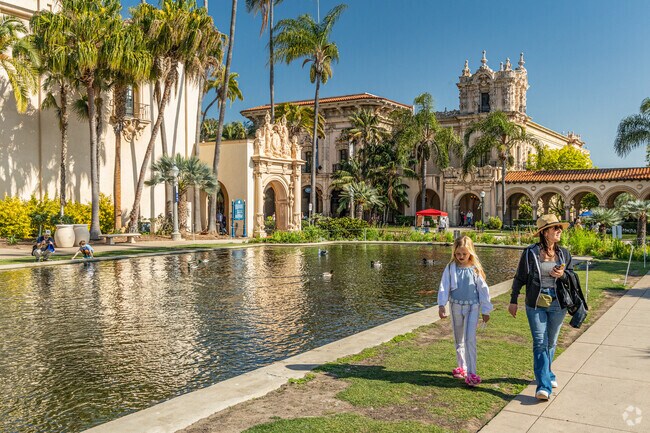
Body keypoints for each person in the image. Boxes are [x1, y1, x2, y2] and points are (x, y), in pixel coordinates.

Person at [508, 214, 571, 401]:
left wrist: (562, 275)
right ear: (544, 232)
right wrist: (513, 300)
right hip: (535, 303)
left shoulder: (564, 253)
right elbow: (520, 277)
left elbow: (571, 276)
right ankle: (543, 386)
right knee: (540, 342)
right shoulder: (530, 253)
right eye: (555, 228)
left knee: (551, 343)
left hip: (558, 303)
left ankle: (548, 374)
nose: (559, 230)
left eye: (559, 227)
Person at [437, 236, 493, 387]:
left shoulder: (475, 269)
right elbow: (444, 286)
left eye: (464, 254)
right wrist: (442, 304)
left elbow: (483, 290)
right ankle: (462, 366)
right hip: (455, 306)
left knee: (470, 339)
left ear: (470, 253)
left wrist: (486, 310)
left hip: (472, 308)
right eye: (458, 254)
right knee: (458, 338)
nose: (461, 257)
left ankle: (472, 372)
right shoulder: (451, 268)